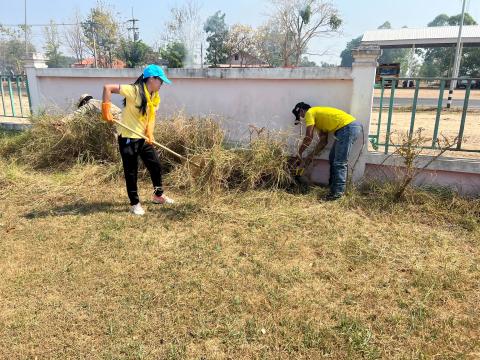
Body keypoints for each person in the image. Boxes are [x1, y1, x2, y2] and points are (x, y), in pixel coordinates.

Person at [102, 64, 174, 215]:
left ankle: (158, 195)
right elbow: (107, 87)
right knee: (131, 171)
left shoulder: (154, 96)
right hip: (128, 137)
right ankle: (135, 203)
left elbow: (151, 117)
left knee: (155, 165)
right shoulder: (133, 90)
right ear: (152, 79)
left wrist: (150, 132)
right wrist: (106, 108)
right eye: (160, 81)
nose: (162, 84)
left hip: (142, 138)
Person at [292, 102, 363, 201]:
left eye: (300, 115)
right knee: (333, 158)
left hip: (347, 128)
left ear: (302, 111)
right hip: (347, 128)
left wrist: (299, 153)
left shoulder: (310, 113)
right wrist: (310, 157)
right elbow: (323, 142)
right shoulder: (318, 119)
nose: (302, 118)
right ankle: (333, 188)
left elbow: (308, 138)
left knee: (339, 162)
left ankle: (336, 195)